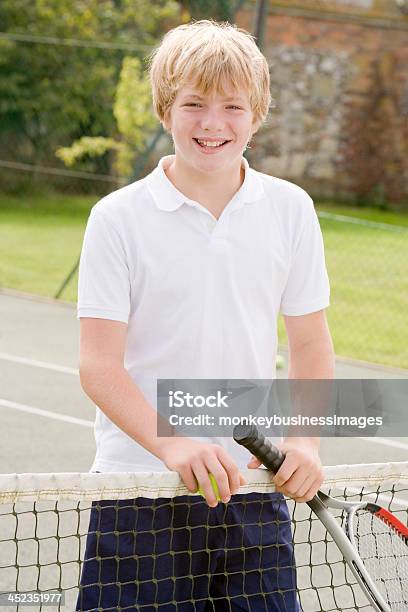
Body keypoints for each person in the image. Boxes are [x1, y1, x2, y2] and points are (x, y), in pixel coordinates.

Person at [76, 18, 334, 611]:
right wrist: (173, 446)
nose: (212, 123)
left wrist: (306, 442)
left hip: (251, 490)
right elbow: (97, 366)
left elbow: (313, 346)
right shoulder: (116, 219)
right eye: (193, 104)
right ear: (166, 111)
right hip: (139, 493)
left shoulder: (291, 210)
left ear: (257, 114)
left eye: (232, 107)